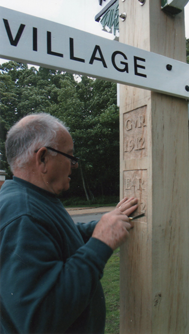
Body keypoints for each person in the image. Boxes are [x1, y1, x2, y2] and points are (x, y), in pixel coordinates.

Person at [0, 113, 138, 334]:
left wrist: (103, 225)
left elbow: (56, 237)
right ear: (43, 158)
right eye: (70, 156)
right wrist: (100, 245)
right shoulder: (23, 215)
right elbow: (39, 319)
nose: (74, 165)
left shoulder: (30, 197)